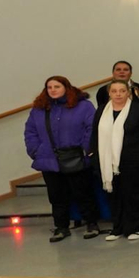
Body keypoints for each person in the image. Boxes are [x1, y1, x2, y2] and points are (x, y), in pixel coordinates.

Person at [26, 76, 101, 241]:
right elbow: (30, 132)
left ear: (66, 87)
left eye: (57, 86)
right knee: (56, 196)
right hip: (48, 159)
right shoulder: (39, 109)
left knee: (83, 192)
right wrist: (36, 151)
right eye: (49, 87)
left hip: (76, 157)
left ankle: (91, 223)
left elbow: (91, 128)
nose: (53, 90)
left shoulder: (83, 106)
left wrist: (85, 149)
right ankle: (61, 227)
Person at [91, 80, 139, 241]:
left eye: (122, 91)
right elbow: (95, 135)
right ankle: (117, 228)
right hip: (108, 162)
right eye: (114, 91)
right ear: (109, 93)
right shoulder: (101, 111)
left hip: (134, 161)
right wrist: (93, 154)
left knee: (133, 195)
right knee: (115, 195)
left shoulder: (138, 110)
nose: (118, 94)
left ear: (128, 93)